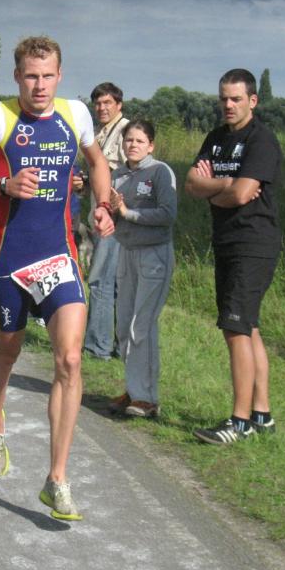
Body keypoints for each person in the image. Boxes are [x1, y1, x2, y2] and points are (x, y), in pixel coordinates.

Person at [0, 36, 115, 520]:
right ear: (17, 77)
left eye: (48, 76)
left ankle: (57, 480)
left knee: (70, 360)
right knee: (8, 350)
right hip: (10, 259)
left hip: (58, 255)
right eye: (31, 76)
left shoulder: (75, 115)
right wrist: (2, 185)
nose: (40, 85)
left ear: (60, 76)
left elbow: (98, 162)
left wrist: (103, 204)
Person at [185, 68, 283, 445]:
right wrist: (224, 184)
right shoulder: (215, 138)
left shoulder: (261, 140)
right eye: (224, 98)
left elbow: (243, 196)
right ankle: (262, 415)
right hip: (226, 241)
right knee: (248, 326)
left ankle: (239, 423)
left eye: (236, 99)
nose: (228, 105)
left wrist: (218, 189)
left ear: (252, 101)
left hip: (254, 243)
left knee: (235, 327)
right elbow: (192, 183)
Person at [107, 120, 177, 418]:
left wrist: (128, 213)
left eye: (139, 141)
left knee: (142, 325)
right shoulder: (118, 175)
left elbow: (168, 214)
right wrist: (108, 212)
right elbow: (112, 212)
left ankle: (147, 398)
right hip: (126, 251)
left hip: (154, 254)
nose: (133, 145)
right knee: (124, 324)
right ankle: (134, 389)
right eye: (128, 140)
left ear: (151, 145)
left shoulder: (160, 172)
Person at [83, 82, 130, 361]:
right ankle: (119, 346)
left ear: (119, 105)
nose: (102, 108)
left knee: (100, 280)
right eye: (98, 103)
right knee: (114, 284)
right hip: (101, 216)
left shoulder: (125, 132)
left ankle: (97, 347)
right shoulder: (98, 133)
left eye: (107, 103)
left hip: (115, 220)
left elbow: (132, 172)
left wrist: (119, 207)